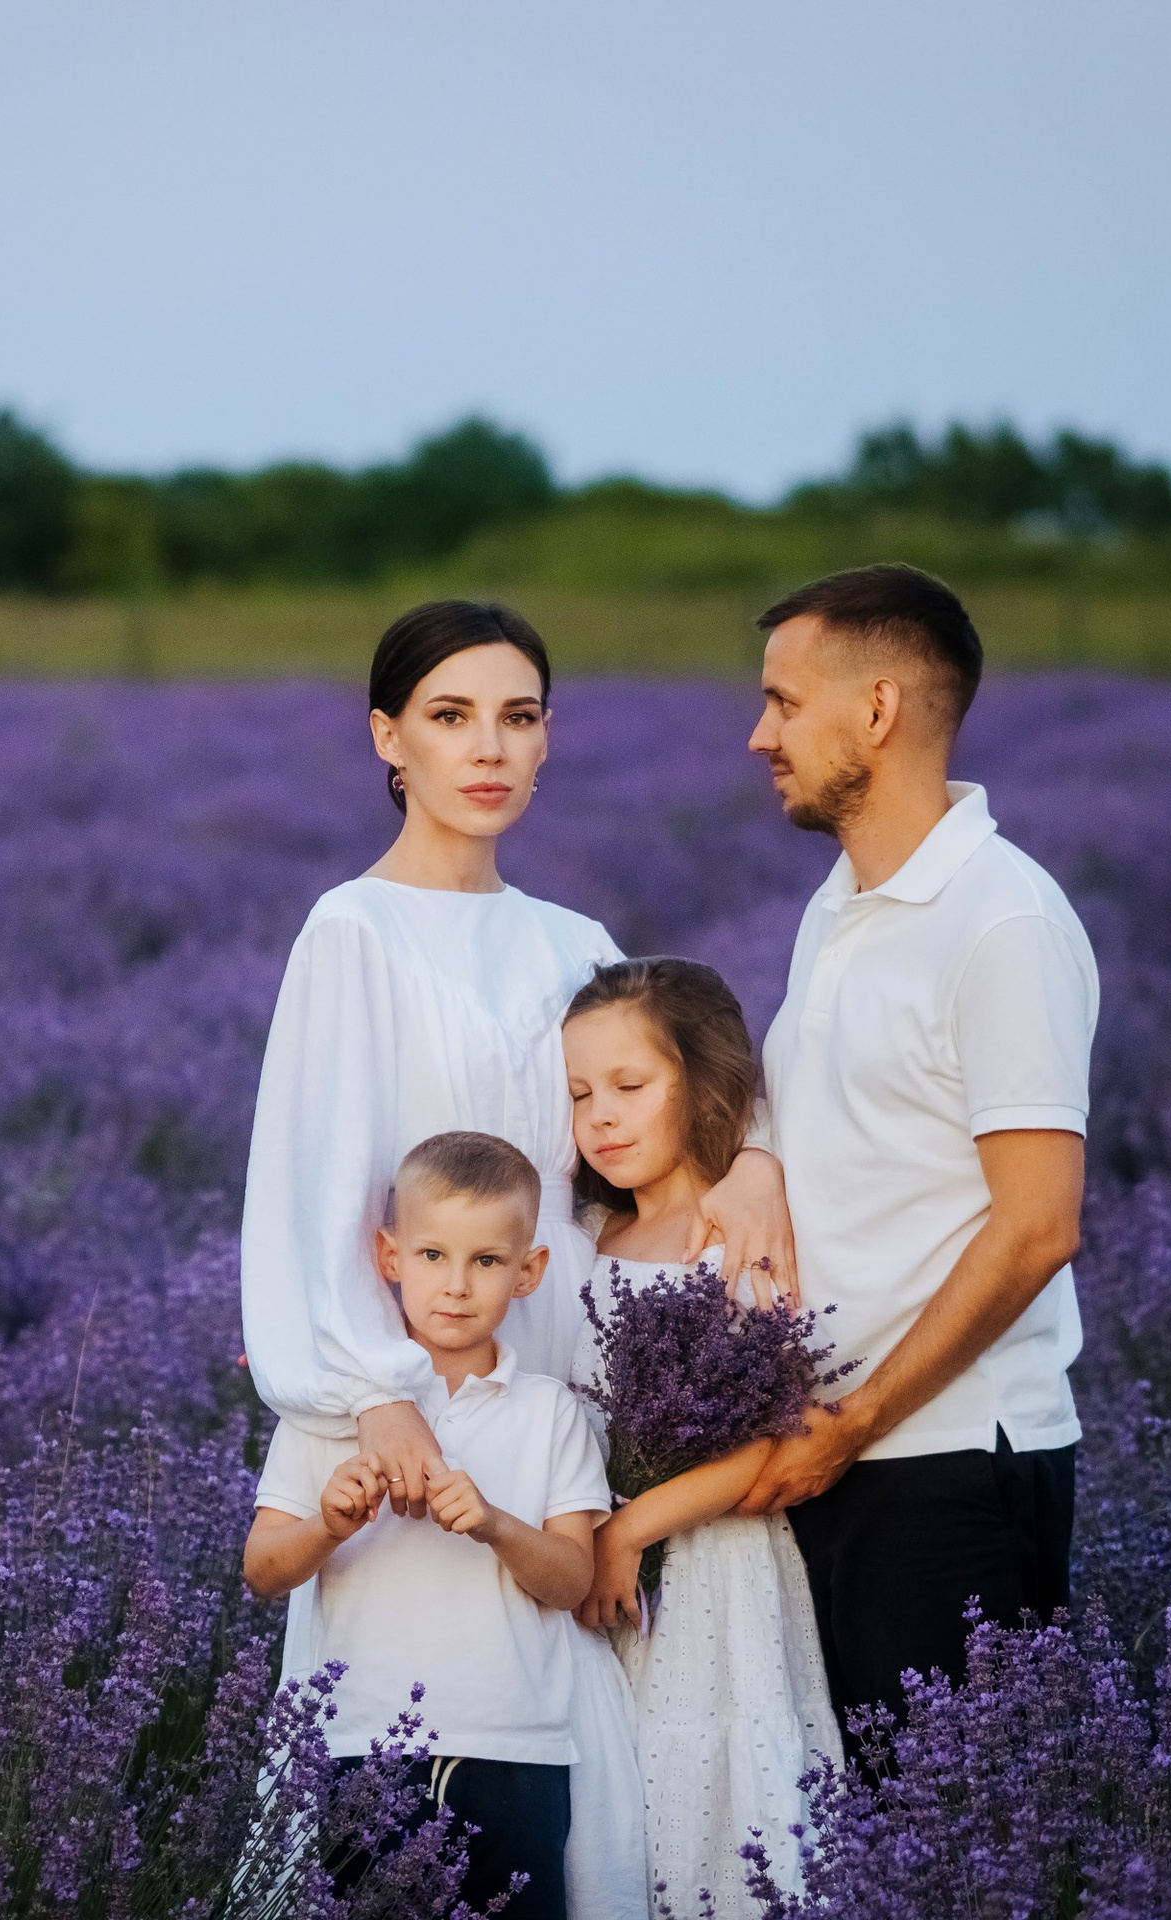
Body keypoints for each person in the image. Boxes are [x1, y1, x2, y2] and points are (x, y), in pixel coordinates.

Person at [240, 598, 797, 1918]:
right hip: (404, 1418)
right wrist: (376, 1395)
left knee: (585, 1783)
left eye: (519, 717)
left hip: (559, 1419)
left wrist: (758, 1160)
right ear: (390, 738)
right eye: (450, 716)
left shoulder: (571, 944)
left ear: (548, 745)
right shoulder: (352, 932)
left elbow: (683, 1085)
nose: (487, 748)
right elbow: (310, 1194)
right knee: (400, 1767)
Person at [730, 564, 1098, 1736]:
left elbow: (1038, 1224)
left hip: (948, 1463)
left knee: (941, 1844)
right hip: (835, 1454)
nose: (757, 736)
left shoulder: (1001, 921)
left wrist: (854, 1423)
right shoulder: (838, 902)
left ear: (876, 712)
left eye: (784, 703)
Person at [246, 1132, 610, 1920]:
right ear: (388, 1257)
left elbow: (573, 1580)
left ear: (529, 1272)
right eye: (433, 1255)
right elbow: (264, 1571)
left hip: (514, 1747)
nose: (455, 1285)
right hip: (361, 1745)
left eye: (485, 1261)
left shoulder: (550, 1413)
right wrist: (328, 1525)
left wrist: (494, 1525)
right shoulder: (332, 1413)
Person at [561, 960, 839, 1918]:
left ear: (706, 1083)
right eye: (579, 1094)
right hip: (601, 1587)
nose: (602, 1116)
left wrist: (630, 1531)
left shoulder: (735, 1238)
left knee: (720, 1802)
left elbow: (775, 1438)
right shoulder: (582, 1241)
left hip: (715, 1573)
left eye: (631, 1088)